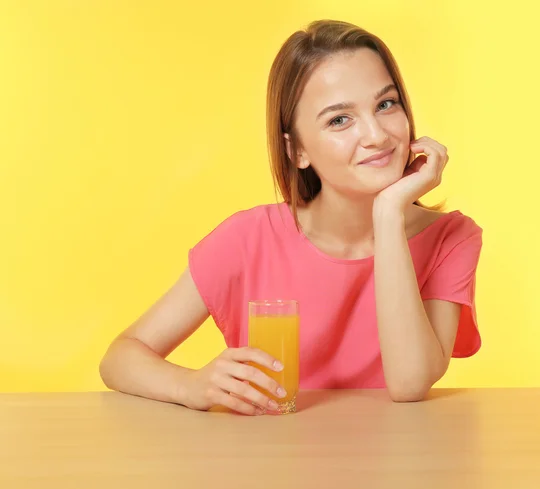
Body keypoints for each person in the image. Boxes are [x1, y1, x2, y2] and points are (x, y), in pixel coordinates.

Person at [99, 19, 483, 415]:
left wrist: (388, 215)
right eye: (339, 120)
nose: (376, 135)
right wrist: (191, 385)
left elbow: (409, 383)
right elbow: (120, 358)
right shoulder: (247, 240)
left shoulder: (452, 238)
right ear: (296, 150)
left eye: (386, 104)